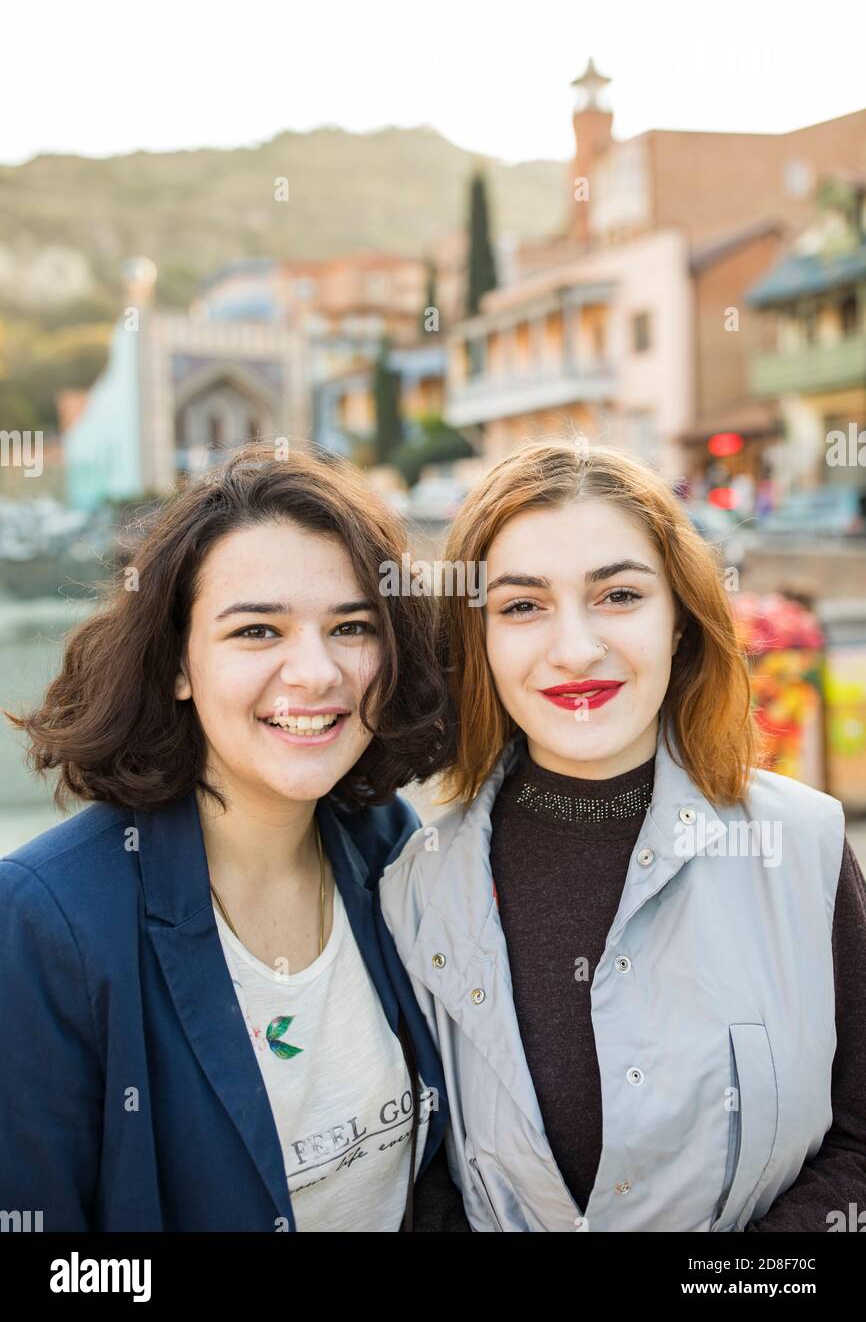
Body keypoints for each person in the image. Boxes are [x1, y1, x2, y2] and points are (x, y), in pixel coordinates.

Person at [377, 437, 866, 1232]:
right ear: (480, 642)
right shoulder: (416, 890)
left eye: (619, 596)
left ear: (679, 620)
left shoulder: (804, 846)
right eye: (523, 606)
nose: (576, 649)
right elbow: (425, 1179)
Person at [0, 441, 460, 1232]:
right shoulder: (47, 920)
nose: (316, 673)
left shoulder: (387, 841)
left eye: (351, 626)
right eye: (257, 632)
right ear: (178, 665)